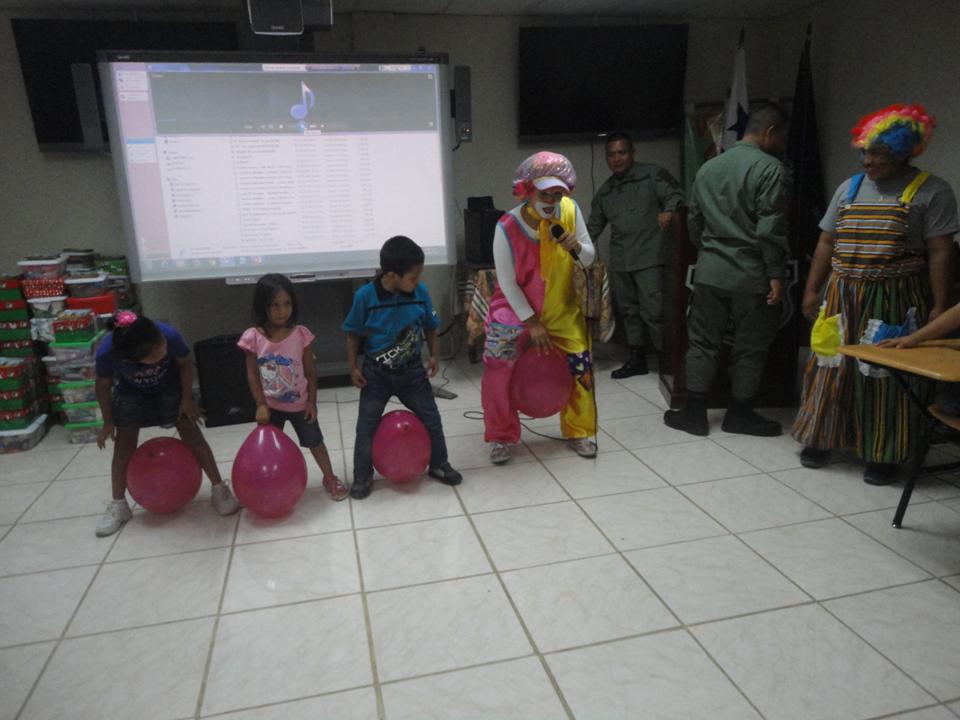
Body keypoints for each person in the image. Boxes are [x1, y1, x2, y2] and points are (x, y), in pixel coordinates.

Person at [793, 104, 958, 484]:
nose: (868, 160)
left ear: (903, 152)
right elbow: (826, 242)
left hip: (893, 298)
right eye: (865, 151)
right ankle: (819, 438)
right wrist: (812, 289)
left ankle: (883, 454)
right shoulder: (848, 188)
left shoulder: (932, 191)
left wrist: (939, 304)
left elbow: (940, 252)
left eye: (878, 154)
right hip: (841, 294)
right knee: (829, 366)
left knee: (885, 376)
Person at [664, 103, 790, 437]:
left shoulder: (709, 167)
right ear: (770, 132)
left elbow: (694, 222)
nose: (782, 144)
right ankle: (740, 414)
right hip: (751, 275)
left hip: (710, 271)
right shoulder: (771, 169)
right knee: (749, 347)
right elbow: (770, 229)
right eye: (782, 137)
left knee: (702, 342)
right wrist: (776, 274)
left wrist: (710, 253)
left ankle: (694, 413)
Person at [481, 151, 598, 465]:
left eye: (557, 194)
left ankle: (579, 431)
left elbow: (589, 258)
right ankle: (501, 434)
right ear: (528, 190)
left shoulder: (570, 212)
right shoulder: (506, 226)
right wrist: (531, 322)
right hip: (514, 309)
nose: (551, 200)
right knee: (497, 362)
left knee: (581, 363)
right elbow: (507, 282)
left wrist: (576, 246)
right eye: (545, 193)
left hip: (560, 308)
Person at [94, 311, 239, 537]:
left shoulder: (169, 335)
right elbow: (103, 385)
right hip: (129, 392)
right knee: (123, 447)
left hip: (170, 386)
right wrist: (108, 421)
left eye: (162, 345)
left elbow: (185, 362)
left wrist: (187, 400)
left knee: (192, 434)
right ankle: (118, 505)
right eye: (155, 354)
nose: (163, 350)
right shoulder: (107, 352)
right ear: (132, 361)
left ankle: (219, 489)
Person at [343, 235, 462, 499]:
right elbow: (352, 334)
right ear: (391, 275)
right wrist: (353, 368)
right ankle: (362, 476)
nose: (418, 281)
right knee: (366, 426)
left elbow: (431, 326)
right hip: (376, 375)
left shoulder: (420, 293)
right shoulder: (365, 296)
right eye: (413, 276)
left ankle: (439, 464)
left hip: (412, 373)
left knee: (432, 418)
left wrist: (434, 356)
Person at [238, 273, 347, 501]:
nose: (282, 311)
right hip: (270, 407)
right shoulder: (253, 337)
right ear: (263, 306)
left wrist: (312, 402)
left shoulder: (300, 334)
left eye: (287, 304)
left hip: (300, 406)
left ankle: (329, 477)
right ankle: (269, 484)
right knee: (269, 450)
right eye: (275, 305)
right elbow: (252, 374)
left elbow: (310, 372)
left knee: (315, 442)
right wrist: (260, 404)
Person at [587, 132, 685, 377]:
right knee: (629, 312)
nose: (617, 159)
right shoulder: (606, 192)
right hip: (621, 261)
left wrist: (669, 211)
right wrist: (570, 250)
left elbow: (676, 195)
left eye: (622, 153)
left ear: (632, 153)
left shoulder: (652, 175)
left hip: (651, 258)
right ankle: (637, 358)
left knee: (655, 312)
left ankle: (667, 359)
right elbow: (591, 229)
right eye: (611, 154)